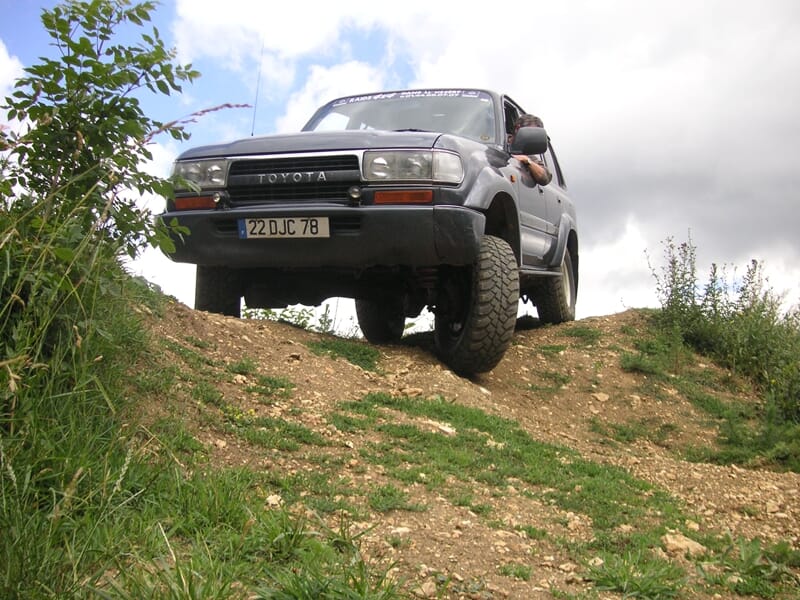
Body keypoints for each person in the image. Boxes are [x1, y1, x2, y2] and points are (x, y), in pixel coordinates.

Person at [510, 114, 552, 186]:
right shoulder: (499, 143)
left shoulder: (529, 157)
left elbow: (545, 178)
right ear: (518, 128)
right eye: (531, 133)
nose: (533, 139)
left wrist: (527, 161)